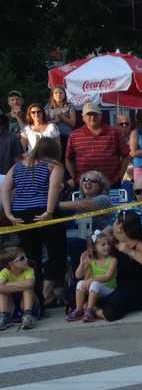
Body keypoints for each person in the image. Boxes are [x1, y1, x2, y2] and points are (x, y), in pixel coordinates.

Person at [2, 137, 65, 306]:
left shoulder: (17, 167)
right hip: (43, 211)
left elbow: (5, 188)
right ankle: (46, 293)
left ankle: (34, 300)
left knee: (31, 257)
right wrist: (49, 211)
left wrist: (9, 213)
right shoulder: (54, 166)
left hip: (20, 213)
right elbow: (53, 189)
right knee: (57, 253)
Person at [94, 211, 142, 321]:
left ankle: (93, 311)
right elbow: (97, 237)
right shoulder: (115, 241)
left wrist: (130, 252)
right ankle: (90, 307)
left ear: (120, 226)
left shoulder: (139, 244)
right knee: (82, 291)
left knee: (111, 310)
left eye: (115, 223)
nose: (112, 225)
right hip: (118, 287)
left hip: (138, 290)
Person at [65, 103, 128, 190]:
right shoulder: (74, 135)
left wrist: (120, 176)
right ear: (83, 117)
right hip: (84, 186)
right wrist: (74, 177)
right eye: (89, 115)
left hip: (111, 184)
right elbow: (68, 158)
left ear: (101, 116)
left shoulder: (114, 133)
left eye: (95, 114)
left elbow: (126, 155)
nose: (92, 117)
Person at [67, 234, 117, 323]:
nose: (107, 246)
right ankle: (79, 310)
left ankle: (89, 310)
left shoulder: (112, 260)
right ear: (94, 248)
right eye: (103, 245)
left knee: (95, 284)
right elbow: (78, 275)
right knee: (80, 283)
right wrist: (82, 263)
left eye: (108, 244)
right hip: (95, 289)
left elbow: (107, 276)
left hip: (109, 289)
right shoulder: (92, 260)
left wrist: (91, 280)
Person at [0, 246, 36, 331]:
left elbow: (30, 283)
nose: (26, 259)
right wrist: (21, 286)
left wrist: (7, 285)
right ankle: (4, 316)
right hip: (11, 304)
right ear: (11, 263)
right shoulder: (5, 272)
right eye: (22, 258)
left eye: (26, 257)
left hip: (27, 303)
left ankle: (27, 316)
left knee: (28, 289)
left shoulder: (28, 270)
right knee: (2, 293)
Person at [0, 115, 21, 183]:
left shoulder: (12, 137)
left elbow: (17, 159)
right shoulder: (13, 137)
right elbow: (17, 159)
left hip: (7, 175)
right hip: (8, 175)